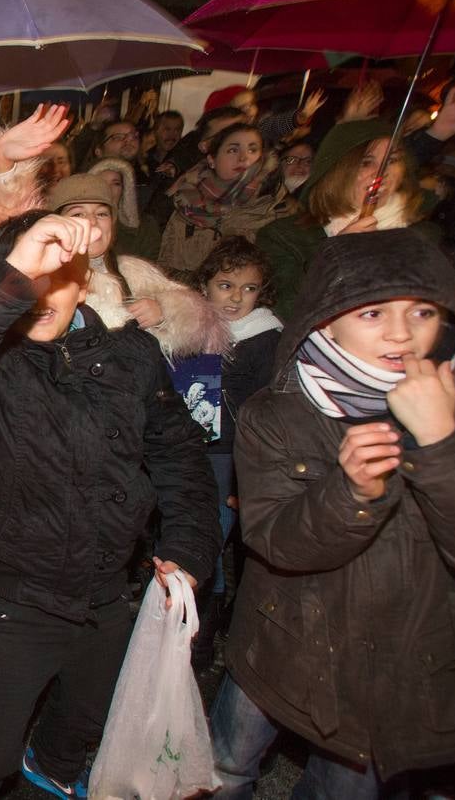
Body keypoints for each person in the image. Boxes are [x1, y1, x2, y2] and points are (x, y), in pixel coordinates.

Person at [0, 209, 219, 800]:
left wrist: (188, 542)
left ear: (85, 278)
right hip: (11, 606)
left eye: (59, 274)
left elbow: (178, 451)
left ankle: (45, 773)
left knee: (78, 731)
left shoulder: (133, 353)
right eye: (30, 279)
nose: (44, 295)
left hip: (106, 597)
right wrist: (8, 275)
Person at [212, 229, 455, 799]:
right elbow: (272, 537)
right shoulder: (278, 413)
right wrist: (352, 493)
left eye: (421, 310)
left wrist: (440, 442)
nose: (400, 332)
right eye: (371, 312)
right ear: (324, 320)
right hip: (281, 636)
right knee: (225, 766)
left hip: (397, 662)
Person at [0, 113, 227, 362]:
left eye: (101, 213)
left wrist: (166, 313)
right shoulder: (44, 274)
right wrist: (2, 165)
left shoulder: (133, 271)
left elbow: (206, 329)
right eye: (78, 214)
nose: (91, 223)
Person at [173, 236, 282, 670]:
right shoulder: (189, 323)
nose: (236, 297)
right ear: (205, 285)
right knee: (180, 530)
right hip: (183, 447)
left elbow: (265, 410)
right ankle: (172, 617)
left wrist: (251, 475)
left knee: (212, 539)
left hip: (226, 456)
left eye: (249, 288)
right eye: (225, 285)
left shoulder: (265, 337)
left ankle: (200, 636)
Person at [256, 119, 434, 321]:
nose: (380, 174)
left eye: (391, 161)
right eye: (366, 162)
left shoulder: (425, 237)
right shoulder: (284, 236)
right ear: (336, 170)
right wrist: (333, 260)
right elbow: (285, 312)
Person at [159, 123, 285, 273]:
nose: (244, 158)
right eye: (233, 150)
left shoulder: (271, 209)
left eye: (252, 150)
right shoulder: (186, 204)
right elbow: (165, 269)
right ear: (212, 160)